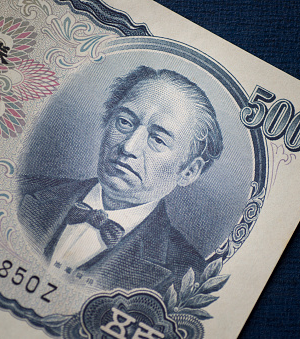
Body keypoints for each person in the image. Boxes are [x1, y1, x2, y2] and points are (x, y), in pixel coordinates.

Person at [18, 66, 223, 294]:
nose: (128, 147)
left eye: (157, 139)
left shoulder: (188, 275)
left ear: (188, 171)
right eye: (124, 122)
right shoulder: (22, 190)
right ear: (107, 123)